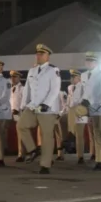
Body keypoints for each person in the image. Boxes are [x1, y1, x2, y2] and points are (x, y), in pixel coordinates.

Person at [17, 43, 61, 174]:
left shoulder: (53, 70)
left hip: (47, 108)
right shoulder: (32, 70)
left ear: (48, 56)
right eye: (37, 54)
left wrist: (46, 104)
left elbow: (55, 89)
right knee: (21, 126)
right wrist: (23, 106)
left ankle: (45, 164)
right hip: (33, 106)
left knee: (47, 136)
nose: (38, 56)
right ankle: (33, 149)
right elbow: (27, 90)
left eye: (42, 54)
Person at [73, 52, 101, 171]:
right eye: (87, 61)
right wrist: (81, 102)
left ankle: (99, 160)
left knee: (98, 134)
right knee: (86, 131)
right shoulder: (83, 75)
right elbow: (83, 91)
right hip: (86, 107)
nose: (89, 63)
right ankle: (80, 154)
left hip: (99, 107)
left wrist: (90, 102)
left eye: (91, 61)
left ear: (96, 63)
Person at [9, 71, 25, 162]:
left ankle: (21, 154)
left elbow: (24, 101)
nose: (13, 79)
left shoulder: (23, 88)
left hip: (19, 113)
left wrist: (18, 109)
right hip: (10, 113)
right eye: (12, 77)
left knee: (21, 134)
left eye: (15, 77)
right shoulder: (9, 88)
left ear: (19, 78)